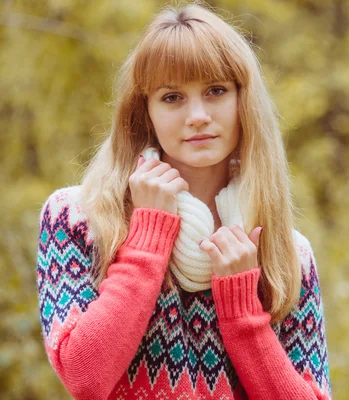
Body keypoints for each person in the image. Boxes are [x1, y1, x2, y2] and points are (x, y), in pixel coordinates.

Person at [35, 2, 332, 399]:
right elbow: (84, 377)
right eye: (172, 97)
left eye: (215, 91)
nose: (197, 115)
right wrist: (147, 240)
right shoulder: (78, 219)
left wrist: (243, 307)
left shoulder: (288, 253)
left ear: (244, 101)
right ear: (146, 113)